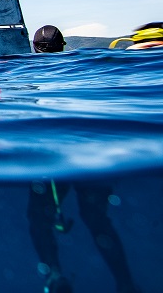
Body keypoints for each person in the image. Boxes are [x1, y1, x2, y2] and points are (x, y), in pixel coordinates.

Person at [26, 26, 140, 293]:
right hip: (87, 151)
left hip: (50, 157)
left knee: (38, 218)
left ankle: (53, 275)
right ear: (63, 45)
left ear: (33, 47)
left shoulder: (26, 73)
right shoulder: (81, 67)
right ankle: (125, 283)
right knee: (97, 218)